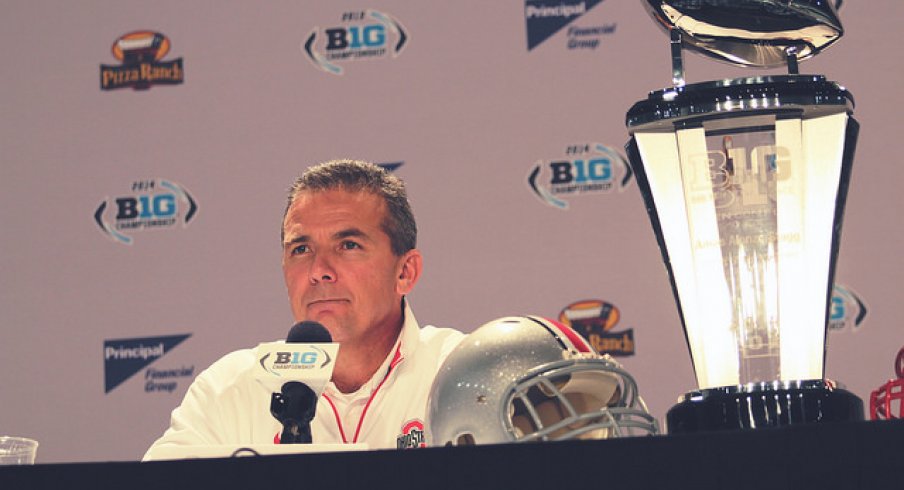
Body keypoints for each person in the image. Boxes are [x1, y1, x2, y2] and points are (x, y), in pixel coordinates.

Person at [144, 159, 464, 458]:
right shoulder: (228, 391)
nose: (318, 269)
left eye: (348, 245)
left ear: (405, 272)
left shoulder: (462, 374)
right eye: (301, 249)